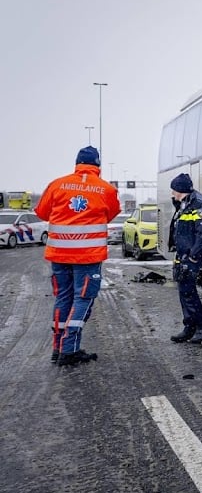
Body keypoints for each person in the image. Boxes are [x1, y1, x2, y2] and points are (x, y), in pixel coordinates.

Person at [35, 146, 122, 366]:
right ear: (98, 165)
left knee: (63, 297)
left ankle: (57, 348)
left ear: (77, 163)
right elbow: (110, 214)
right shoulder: (106, 189)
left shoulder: (56, 185)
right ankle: (69, 349)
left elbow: (42, 213)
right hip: (88, 257)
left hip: (59, 254)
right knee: (82, 299)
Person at [168, 173, 202, 344]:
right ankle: (190, 326)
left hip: (192, 255)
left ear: (180, 189)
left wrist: (194, 257)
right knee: (184, 290)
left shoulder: (199, 204)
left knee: (188, 290)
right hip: (184, 254)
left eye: (174, 190)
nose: (172, 193)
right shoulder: (185, 204)